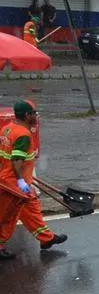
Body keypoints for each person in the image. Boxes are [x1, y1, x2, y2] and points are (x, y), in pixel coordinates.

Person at [0, 100, 67, 257]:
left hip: (10, 178)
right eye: (34, 113)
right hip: (15, 183)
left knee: (31, 209)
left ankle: (46, 239)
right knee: (9, 216)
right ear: (27, 115)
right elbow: (16, 160)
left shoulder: (6, 129)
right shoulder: (23, 135)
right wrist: (20, 181)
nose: (36, 116)